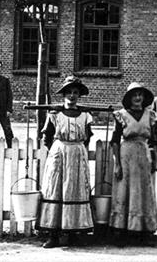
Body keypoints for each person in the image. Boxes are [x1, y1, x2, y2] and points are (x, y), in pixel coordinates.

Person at [37, 76, 95, 248]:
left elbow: (88, 137)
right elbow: (47, 137)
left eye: (75, 92)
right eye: (69, 92)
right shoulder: (55, 114)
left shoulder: (85, 115)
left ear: (79, 95)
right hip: (59, 153)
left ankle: (73, 233)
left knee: (75, 191)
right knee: (55, 190)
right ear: (63, 95)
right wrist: (58, 151)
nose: (72, 95)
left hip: (77, 154)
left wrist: (77, 151)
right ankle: (53, 235)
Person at [110, 81, 157, 241]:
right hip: (126, 156)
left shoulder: (150, 115)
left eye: (140, 95)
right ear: (129, 98)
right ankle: (121, 231)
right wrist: (117, 164)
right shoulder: (121, 115)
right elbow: (115, 140)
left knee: (143, 191)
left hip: (143, 155)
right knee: (124, 191)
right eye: (134, 95)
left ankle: (144, 231)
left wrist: (154, 158)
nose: (138, 98)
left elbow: (154, 141)